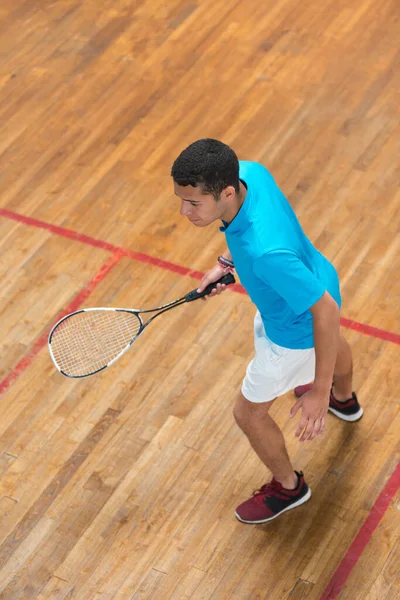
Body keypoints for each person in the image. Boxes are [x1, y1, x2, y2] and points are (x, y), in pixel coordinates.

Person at [171, 138, 363, 524]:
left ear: (225, 192)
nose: (183, 210)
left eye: (193, 203)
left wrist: (317, 391)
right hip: (319, 273)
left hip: (294, 329)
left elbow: (324, 314)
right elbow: (246, 228)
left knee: (248, 415)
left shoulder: (265, 254)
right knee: (333, 344)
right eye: (182, 199)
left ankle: (289, 486)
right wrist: (227, 263)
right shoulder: (250, 174)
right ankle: (346, 400)